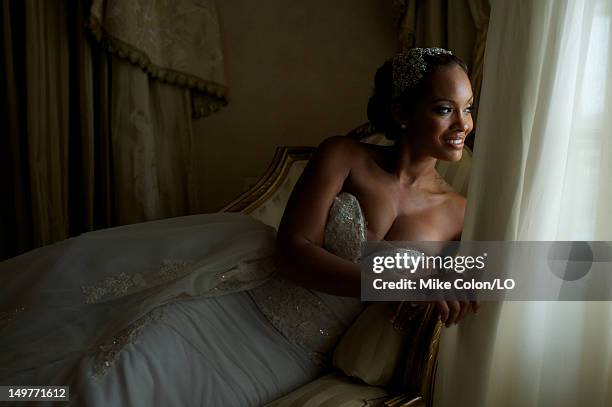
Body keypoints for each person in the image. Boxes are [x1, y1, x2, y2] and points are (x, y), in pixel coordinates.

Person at [0, 47, 477, 407]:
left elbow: (499, 280)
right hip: (237, 308)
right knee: (107, 383)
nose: (463, 124)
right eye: (444, 108)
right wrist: (396, 283)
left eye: (468, 108)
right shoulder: (343, 156)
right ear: (401, 112)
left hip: (290, 357)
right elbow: (294, 252)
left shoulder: (459, 213)